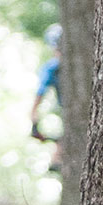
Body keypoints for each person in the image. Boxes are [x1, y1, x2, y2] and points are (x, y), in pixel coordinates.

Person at [30, 23, 63, 171]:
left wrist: (34, 118)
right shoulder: (53, 68)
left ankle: (57, 162)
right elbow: (40, 93)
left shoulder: (52, 67)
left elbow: (40, 93)